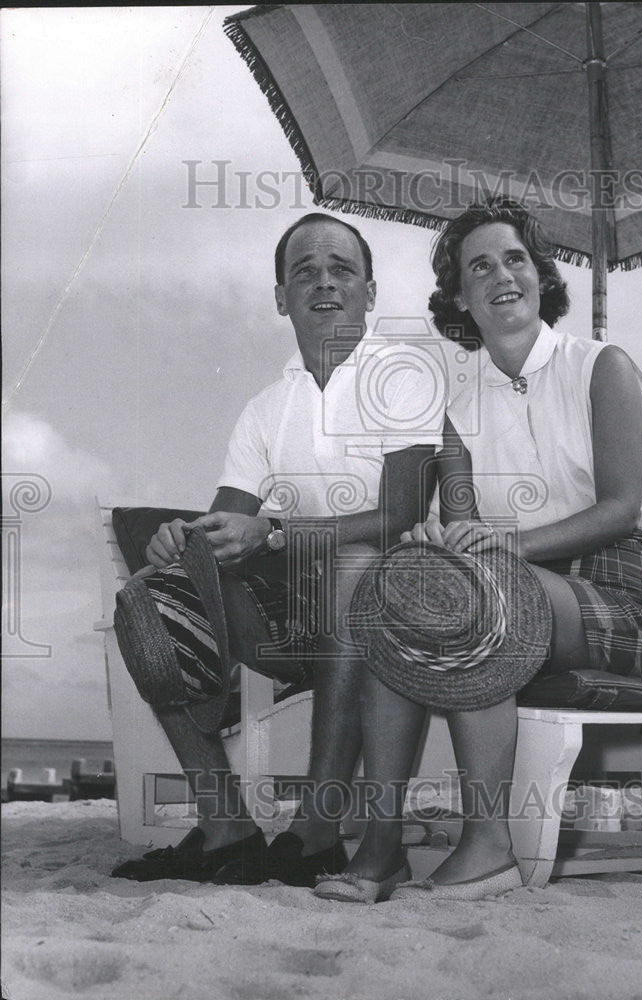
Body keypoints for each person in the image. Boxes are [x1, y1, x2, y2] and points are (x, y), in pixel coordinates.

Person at [314, 197, 642, 903]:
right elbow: (461, 524)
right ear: (457, 296)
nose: (500, 274)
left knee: (478, 599)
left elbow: (620, 509)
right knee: (405, 599)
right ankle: (382, 847)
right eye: (479, 266)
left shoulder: (602, 366)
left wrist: (505, 547)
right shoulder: (453, 399)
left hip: (616, 594)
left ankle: (488, 845)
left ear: (538, 274)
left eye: (513, 258)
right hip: (507, 584)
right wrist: (437, 543)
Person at [111, 213, 443, 885]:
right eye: (304, 271)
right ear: (279, 297)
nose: (323, 282)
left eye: (341, 269)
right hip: (297, 622)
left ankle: (317, 827)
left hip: (398, 621)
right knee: (148, 596)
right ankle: (226, 825)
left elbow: (400, 514)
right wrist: (182, 541)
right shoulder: (266, 408)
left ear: (370, 292)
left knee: (354, 566)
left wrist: (279, 534)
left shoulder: (405, 377)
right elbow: (228, 523)